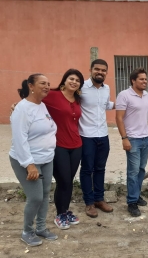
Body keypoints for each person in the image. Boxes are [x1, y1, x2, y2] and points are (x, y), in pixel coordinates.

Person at [9, 74, 58, 246]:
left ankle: (41, 228)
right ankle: (27, 231)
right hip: (28, 161)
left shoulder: (42, 105)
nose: (47, 86)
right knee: (35, 197)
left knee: (45, 194)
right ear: (31, 85)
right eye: (42, 83)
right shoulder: (22, 109)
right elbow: (19, 139)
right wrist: (29, 165)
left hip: (46, 158)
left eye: (48, 84)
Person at [42, 69, 84, 229]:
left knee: (69, 181)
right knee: (63, 180)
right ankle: (60, 214)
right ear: (64, 80)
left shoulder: (78, 99)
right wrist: (16, 105)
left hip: (76, 145)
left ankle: (65, 211)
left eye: (77, 80)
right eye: (71, 79)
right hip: (59, 145)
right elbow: (33, 99)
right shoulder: (53, 95)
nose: (74, 82)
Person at [79, 59, 115, 218]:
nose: (100, 72)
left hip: (103, 135)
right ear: (91, 70)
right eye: (97, 69)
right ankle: (89, 202)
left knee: (100, 168)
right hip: (86, 136)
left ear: (106, 72)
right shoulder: (81, 88)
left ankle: (99, 199)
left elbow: (105, 105)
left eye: (103, 70)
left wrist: (123, 104)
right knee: (87, 169)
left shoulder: (106, 88)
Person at [116, 67, 148, 217]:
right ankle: (131, 202)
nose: (145, 81)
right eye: (141, 79)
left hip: (145, 138)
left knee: (141, 170)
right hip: (133, 140)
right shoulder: (124, 95)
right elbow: (119, 118)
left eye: (146, 79)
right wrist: (124, 138)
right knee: (133, 171)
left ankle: (136, 195)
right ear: (133, 80)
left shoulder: (146, 95)